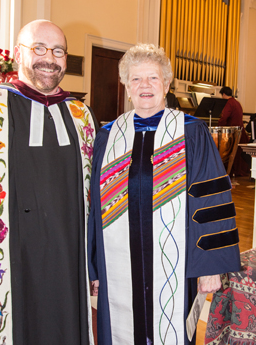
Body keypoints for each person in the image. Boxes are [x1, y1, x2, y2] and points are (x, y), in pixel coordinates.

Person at [0, 20, 98, 345]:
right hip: (9, 266)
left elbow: (100, 200)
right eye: (39, 48)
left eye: (58, 50)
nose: (49, 57)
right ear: (19, 53)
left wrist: (95, 266)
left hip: (67, 267)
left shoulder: (82, 118)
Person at [88, 44, 241, 345]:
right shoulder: (108, 136)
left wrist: (209, 268)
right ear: (126, 87)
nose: (144, 86)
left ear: (167, 85)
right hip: (117, 262)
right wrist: (93, 264)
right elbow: (94, 207)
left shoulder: (192, 133)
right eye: (136, 79)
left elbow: (211, 200)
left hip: (176, 258)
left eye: (153, 78)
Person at [218, 86, 250, 176]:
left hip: (232, 132)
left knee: (231, 152)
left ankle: (230, 171)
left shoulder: (229, 103)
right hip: (240, 130)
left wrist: (219, 126)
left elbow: (224, 117)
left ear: (224, 94)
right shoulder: (237, 102)